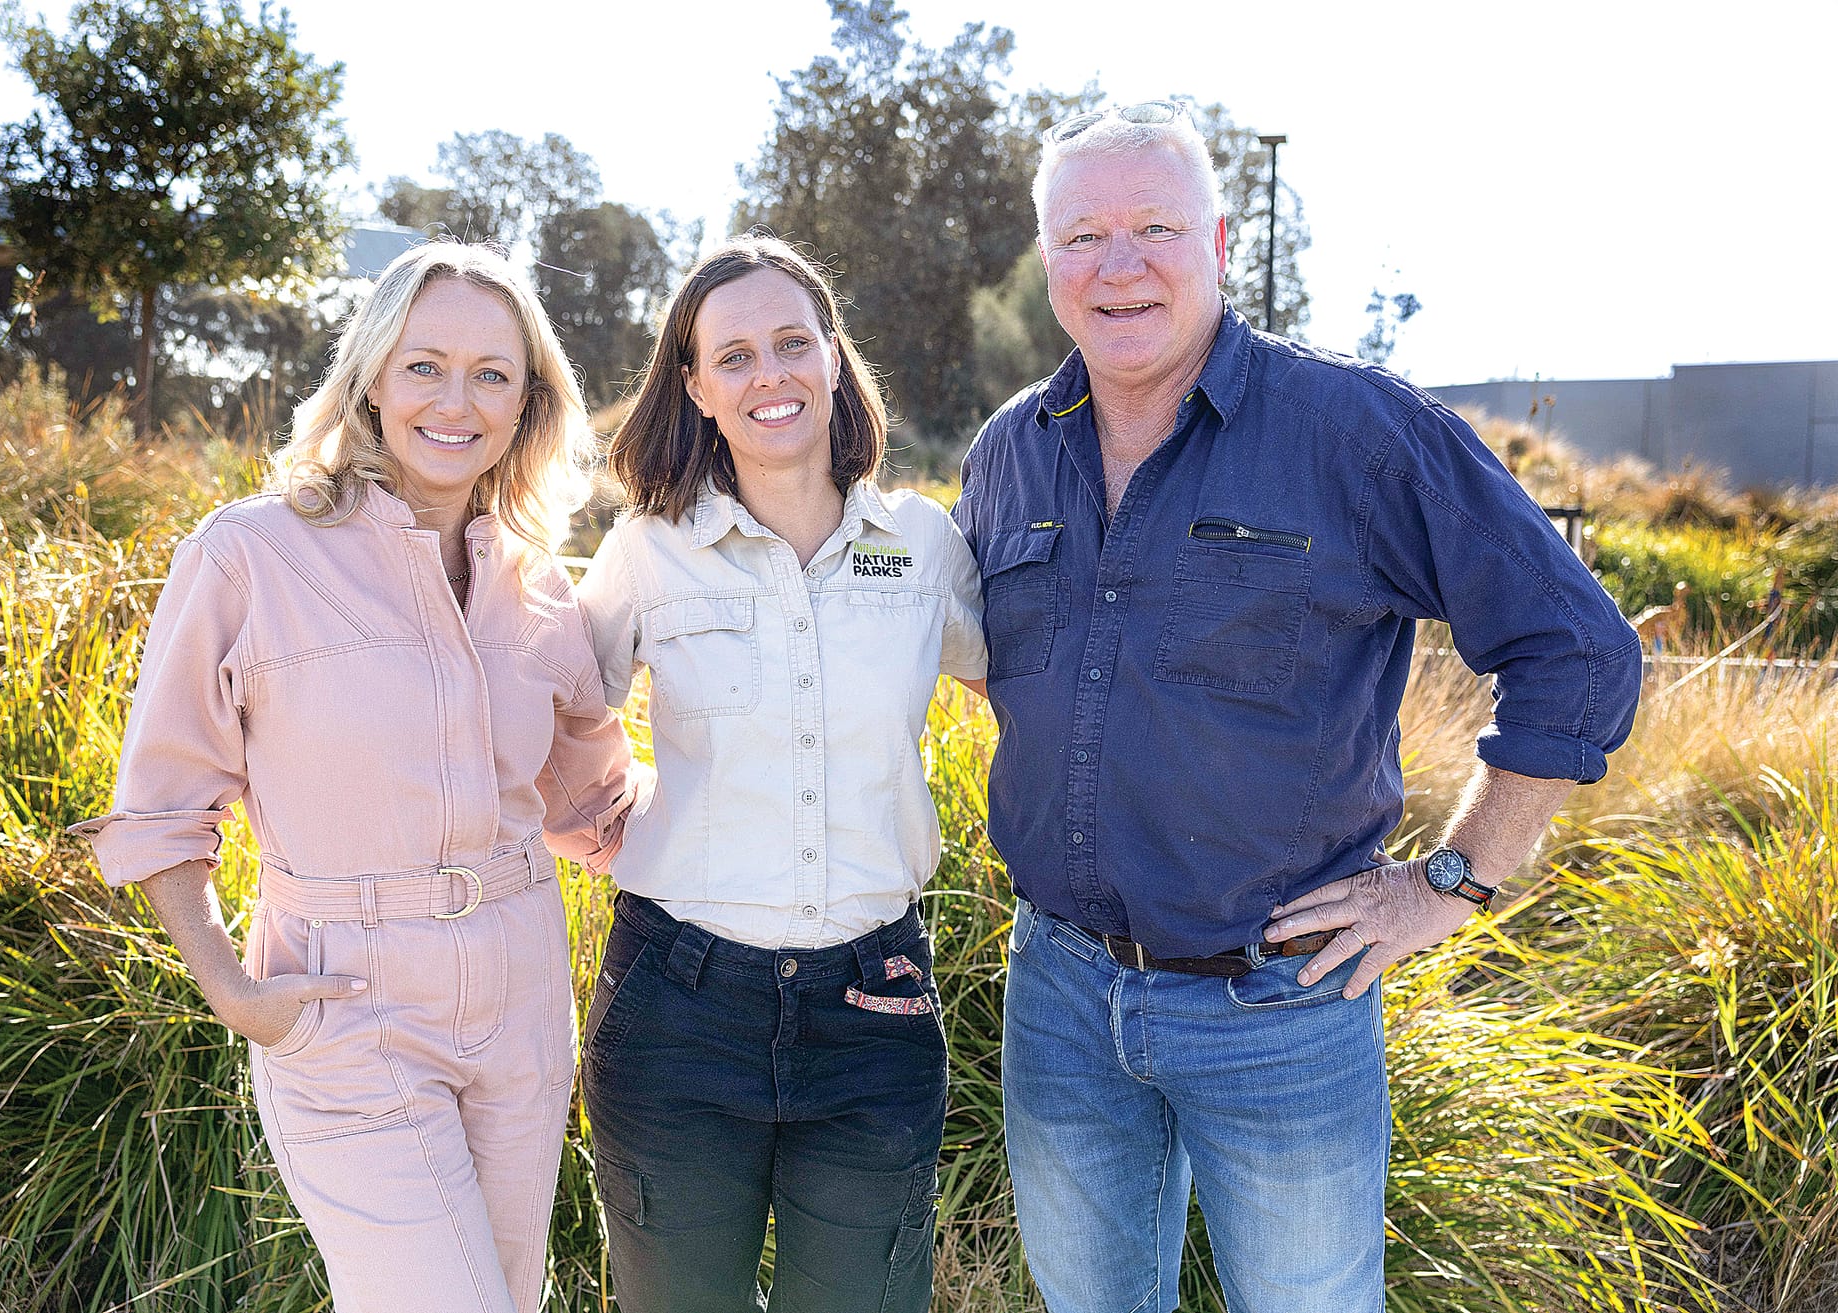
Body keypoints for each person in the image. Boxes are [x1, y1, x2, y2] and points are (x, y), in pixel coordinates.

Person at [952, 102, 1643, 1313]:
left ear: (1217, 240)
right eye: (1081, 237)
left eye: (1154, 227)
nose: (1118, 265)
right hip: (1057, 991)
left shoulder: (1353, 431)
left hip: (1279, 1003)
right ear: (1046, 260)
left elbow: (1577, 648)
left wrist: (1452, 880)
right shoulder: (1009, 451)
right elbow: (993, 661)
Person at [71, 240, 646, 1313]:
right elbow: (160, 807)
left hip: (521, 1001)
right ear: (372, 377)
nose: (455, 402)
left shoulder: (538, 584)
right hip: (344, 1007)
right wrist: (232, 990)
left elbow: (592, 807)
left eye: (491, 374)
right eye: (424, 366)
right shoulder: (250, 554)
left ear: (528, 404)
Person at [575, 235, 987, 1313]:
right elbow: (560, 706)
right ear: (697, 387)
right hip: (678, 1011)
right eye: (736, 355)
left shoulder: (920, 544)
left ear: (835, 356)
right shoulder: (647, 551)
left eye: (793, 343)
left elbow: (1027, 694)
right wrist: (588, 810)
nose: (771, 374)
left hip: (874, 1009)